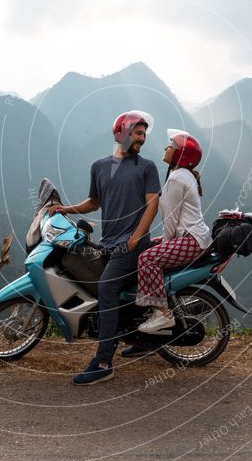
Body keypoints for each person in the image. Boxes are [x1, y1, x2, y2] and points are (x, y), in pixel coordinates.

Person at [49, 111, 160, 384]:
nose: (142, 139)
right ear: (121, 132)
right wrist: (67, 210)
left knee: (107, 288)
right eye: (138, 133)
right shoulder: (99, 166)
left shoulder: (147, 167)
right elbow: (94, 202)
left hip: (132, 245)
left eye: (144, 134)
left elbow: (153, 204)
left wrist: (136, 236)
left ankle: (103, 362)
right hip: (109, 243)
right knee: (94, 281)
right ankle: (142, 337)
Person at [135, 129, 212, 332]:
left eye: (171, 145)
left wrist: (166, 243)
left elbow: (170, 219)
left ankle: (162, 313)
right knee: (148, 246)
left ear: (181, 154)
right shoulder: (184, 175)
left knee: (147, 258)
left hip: (191, 239)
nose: (166, 147)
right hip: (193, 237)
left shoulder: (177, 177)